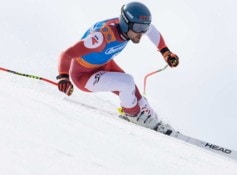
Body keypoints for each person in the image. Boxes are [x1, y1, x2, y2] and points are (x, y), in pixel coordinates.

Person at [56, 2, 179, 132]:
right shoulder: (101, 38)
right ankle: (134, 115)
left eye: (144, 28)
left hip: (104, 64)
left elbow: (152, 30)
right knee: (127, 83)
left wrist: (165, 52)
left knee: (143, 104)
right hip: (84, 76)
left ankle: (152, 120)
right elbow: (67, 53)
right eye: (138, 28)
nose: (142, 33)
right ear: (126, 23)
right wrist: (64, 77)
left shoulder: (133, 28)